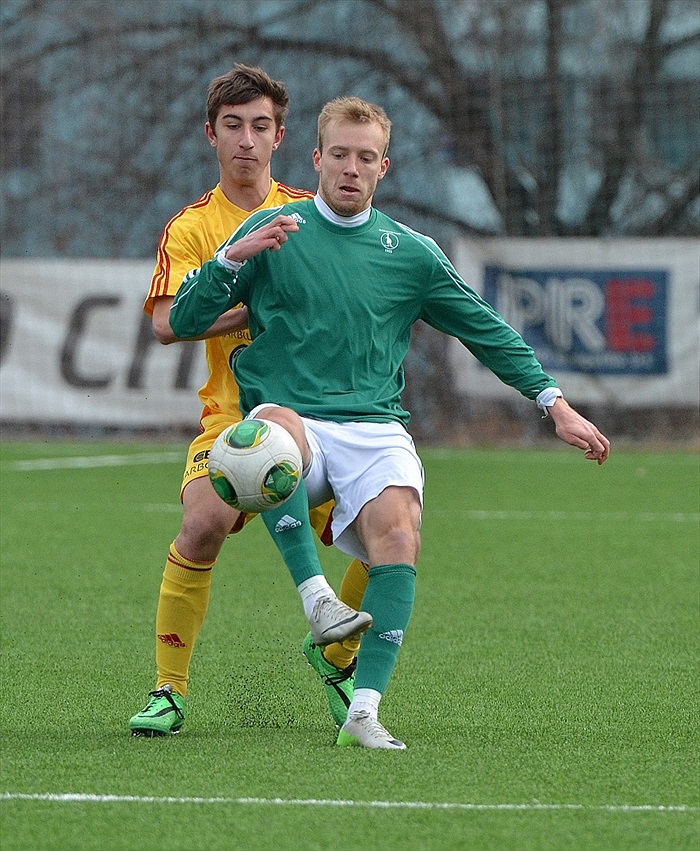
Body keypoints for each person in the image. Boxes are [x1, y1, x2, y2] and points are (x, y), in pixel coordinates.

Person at [169, 96, 611, 749]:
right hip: (290, 418)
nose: (351, 168)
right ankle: (318, 597)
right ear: (317, 158)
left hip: (373, 426)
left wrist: (554, 402)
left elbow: (485, 331)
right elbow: (183, 320)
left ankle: (363, 710)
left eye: (365, 158)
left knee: (400, 535)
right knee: (271, 439)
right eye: (340, 155)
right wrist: (232, 260)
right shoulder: (272, 231)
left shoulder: (411, 252)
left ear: (384, 168)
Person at [129, 68, 371, 738]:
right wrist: (253, 303)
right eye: (233, 125)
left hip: (320, 415)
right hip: (231, 420)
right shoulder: (193, 227)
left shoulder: (311, 211)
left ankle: (337, 653)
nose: (246, 139)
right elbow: (166, 321)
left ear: (280, 136)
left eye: (260, 126)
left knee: (387, 534)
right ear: (212, 136)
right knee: (202, 523)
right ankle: (168, 690)